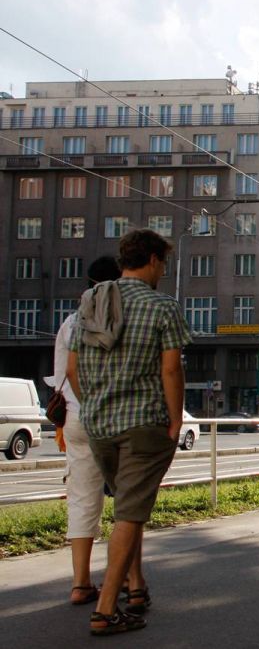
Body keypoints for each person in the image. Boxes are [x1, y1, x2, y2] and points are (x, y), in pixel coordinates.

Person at [66, 230, 190, 636]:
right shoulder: (162, 305)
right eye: (164, 264)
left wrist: (93, 404)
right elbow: (171, 369)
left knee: (126, 509)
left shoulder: (93, 299)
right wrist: (175, 420)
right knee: (131, 513)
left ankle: (136, 588)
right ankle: (105, 609)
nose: (164, 271)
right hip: (143, 423)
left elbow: (75, 367)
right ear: (153, 260)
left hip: (99, 423)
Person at [49, 256, 122, 607]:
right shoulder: (120, 319)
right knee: (127, 497)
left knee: (82, 497)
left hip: (76, 419)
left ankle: (80, 582)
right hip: (112, 417)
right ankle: (126, 579)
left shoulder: (70, 322)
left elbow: (63, 373)